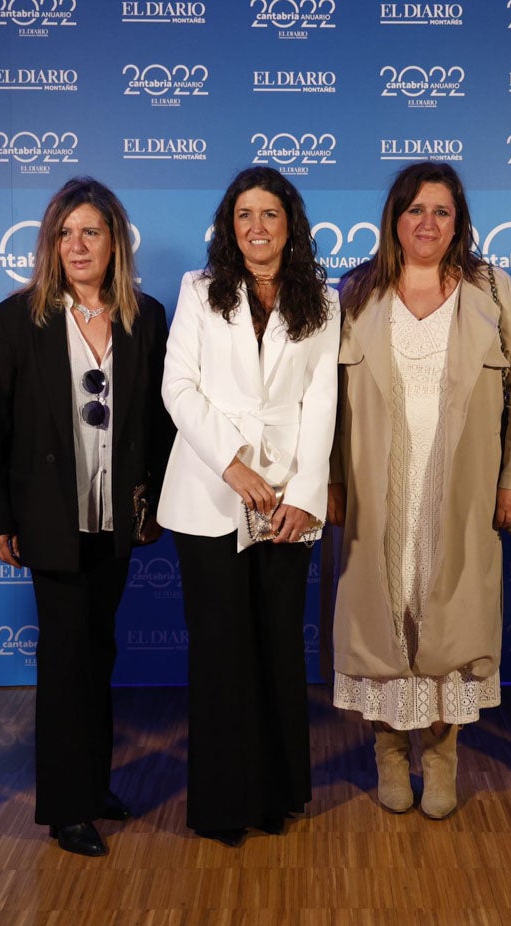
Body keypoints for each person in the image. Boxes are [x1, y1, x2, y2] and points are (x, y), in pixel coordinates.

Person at [327, 161, 511, 819]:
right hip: (374, 493)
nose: (427, 223)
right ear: (394, 217)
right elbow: (322, 402)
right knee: (380, 625)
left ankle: (442, 762)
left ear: (459, 221)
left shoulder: (490, 288)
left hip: (462, 492)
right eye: (415, 210)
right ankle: (389, 756)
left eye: (441, 211)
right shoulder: (356, 292)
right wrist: (331, 479)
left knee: (449, 627)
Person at [0, 178, 173, 858]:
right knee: (64, 659)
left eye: (91, 231)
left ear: (114, 240)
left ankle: (93, 784)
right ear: (49, 245)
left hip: (116, 517)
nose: (78, 245)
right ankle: (65, 809)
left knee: (98, 650)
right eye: (65, 233)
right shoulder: (15, 319)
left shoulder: (145, 316)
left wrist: (156, 505)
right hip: (48, 518)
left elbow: (157, 420)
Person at [157, 166, 339, 846]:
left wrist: (304, 495)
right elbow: (178, 387)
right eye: (244, 215)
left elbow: (322, 402)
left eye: (269, 214)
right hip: (209, 494)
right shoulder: (200, 292)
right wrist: (230, 463)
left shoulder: (322, 298)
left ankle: (279, 794)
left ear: (289, 224)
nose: (256, 226)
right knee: (220, 651)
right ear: (229, 228)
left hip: (289, 500)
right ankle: (222, 804)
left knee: (277, 650)